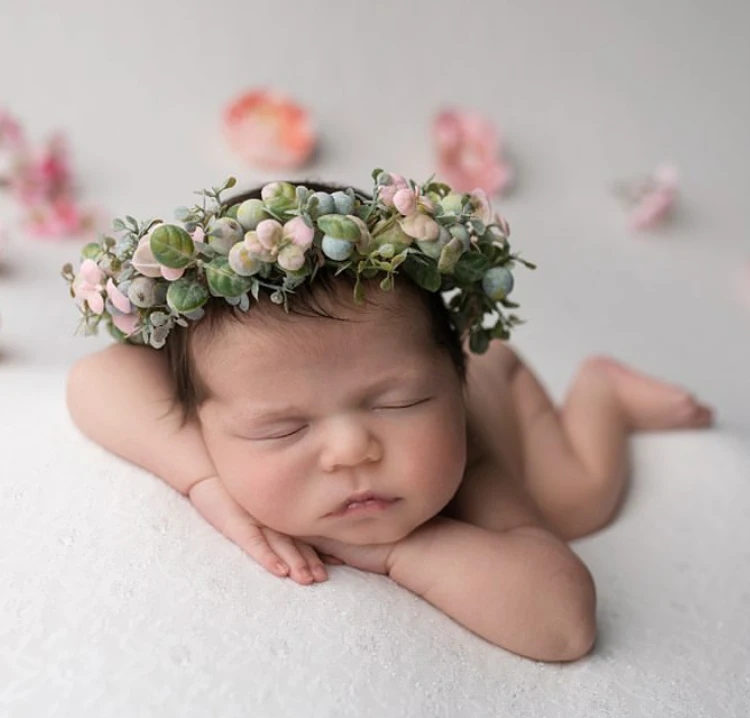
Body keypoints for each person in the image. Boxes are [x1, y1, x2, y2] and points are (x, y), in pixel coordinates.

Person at [63, 171, 714, 663]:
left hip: (503, 390)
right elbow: (94, 379)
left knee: (577, 501)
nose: (351, 449)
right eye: (282, 427)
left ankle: (602, 390)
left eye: (398, 404)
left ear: (449, 385)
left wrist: (399, 551)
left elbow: (564, 623)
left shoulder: (470, 457)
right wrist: (204, 483)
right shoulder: (225, 386)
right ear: (201, 417)